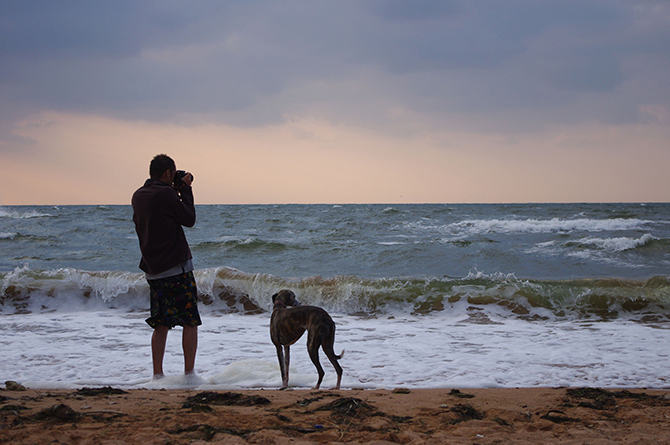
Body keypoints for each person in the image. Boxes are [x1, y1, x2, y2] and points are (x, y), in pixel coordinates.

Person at [131, 154, 200, 378]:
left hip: (153, 270)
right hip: (176, 268)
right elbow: (188, 218)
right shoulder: (167, 193)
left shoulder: (139, 196)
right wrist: (186, 189)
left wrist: (176, 190)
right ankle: (189, 375)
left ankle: (157, 375)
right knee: (189, 321)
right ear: (168, 173)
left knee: (161, 323)